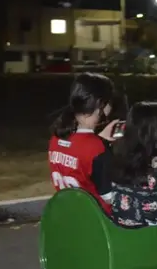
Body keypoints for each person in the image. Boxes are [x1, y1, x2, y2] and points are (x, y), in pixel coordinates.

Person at [48, 72, 119, 213]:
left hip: (72, 215)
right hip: (100, 222)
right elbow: (109, 197)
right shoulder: (96, 148)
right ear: (101, 104)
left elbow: (78, 155)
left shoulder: (56, 139)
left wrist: (101, 140)